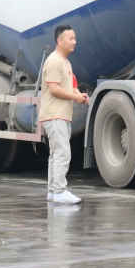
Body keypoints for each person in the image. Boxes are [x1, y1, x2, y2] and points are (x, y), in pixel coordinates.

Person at [39, 24, 89, 204]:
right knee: (62, 153)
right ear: (60, 41)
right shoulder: (54, 61)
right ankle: (60, 191)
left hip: (61, 115)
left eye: (75, 38)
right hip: (55, 114)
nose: (74, 42)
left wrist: (80, 96)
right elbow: (53, 89)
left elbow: (72, 86)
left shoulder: (66, 62)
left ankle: (53, 191)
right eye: (71, 38)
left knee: (56, 154)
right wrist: (75, 97)